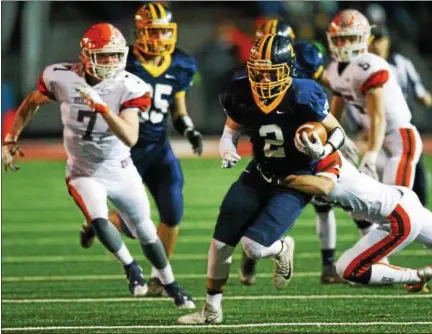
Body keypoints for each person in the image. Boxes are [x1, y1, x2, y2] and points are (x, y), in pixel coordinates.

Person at [2, 23, 195, 308]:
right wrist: (10, 138)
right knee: (98, 218)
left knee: (146, 231)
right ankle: (131, 268)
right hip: (83, 169)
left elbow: (130, 136)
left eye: (116, 55)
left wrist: (103, 108)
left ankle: (170, 283)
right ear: (86, 56)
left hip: (119, 166)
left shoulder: (131, 85)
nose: (111, 62)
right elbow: (32, 100)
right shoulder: (62, 77)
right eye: (104, 56)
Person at [176, 34, 346, 325]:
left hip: (295, 179)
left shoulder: (304, 94)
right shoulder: (240, 92)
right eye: (259, 72)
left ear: (288, 71)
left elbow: (338, 132)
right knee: (220, 243)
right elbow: (232, 127)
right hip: (259, 172)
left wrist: (323, 149)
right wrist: (227, 144)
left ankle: (282, 248)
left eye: (272, 73)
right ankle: (211, 310)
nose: (265, 80)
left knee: (253, 247)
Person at [78, 3, 203, 297]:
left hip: (160, 149)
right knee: (135, 228)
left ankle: (161, 278)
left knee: (173, 212)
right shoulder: (123, 61)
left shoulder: (181, 63)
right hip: (125, 151)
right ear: (140, 33)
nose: (160, 39)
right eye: (154, 32)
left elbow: (178, 109)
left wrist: (189, 130)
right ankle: (101, 221)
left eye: (164, 32)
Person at [235, 19, 344, 286]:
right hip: (275, 139)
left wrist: (325, 133)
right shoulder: (254, 77)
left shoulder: (305, 67)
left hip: (307, 134)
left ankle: (328, 263)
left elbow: (328, 89)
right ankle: (252, 252)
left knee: (326, 202)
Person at [325, 9, 423, 251]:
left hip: (399, 139)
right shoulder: (335, 69)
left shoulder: (372, 64)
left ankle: (379, 255)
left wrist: (369, 153)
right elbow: (336, 109)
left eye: (350, 37)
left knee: (398, 206)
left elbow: (378, 115)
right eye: (340, 38)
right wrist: (333, 138)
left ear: (363, 38)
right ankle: (378, 256)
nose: (345, 43)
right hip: (375, 141)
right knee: (359, 203)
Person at [278, 150, 432, 292]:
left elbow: (323, 186)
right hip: (401, 198)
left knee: (347, 269)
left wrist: (279, 179)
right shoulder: (318, 162)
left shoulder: (324, 163)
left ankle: (417, 276)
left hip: (398, 219)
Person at [368, 24, 431, 207]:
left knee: (414, 172)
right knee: (378, 177)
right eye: (373, 40)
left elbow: (420, 93)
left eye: (380, 39)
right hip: (375, 126)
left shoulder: (400, 63)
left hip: (399, 125)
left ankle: (416, 214)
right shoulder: (364, 66)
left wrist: (425, 99)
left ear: (387, 41)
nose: (376, 45)